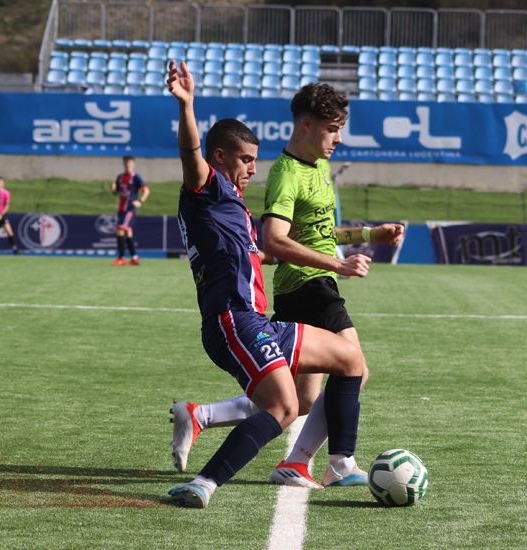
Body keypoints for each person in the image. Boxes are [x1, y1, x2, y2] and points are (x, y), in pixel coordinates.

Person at [171, 83, 404, 489]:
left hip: (255, 318)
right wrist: (187, 106)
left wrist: (366, 234)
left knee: (322, 384)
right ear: (220, 157)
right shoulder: (207, 189)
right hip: (246, 314)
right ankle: (327, 463)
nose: (253, 169)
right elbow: (192, 156)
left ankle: (204, 423)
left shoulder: (233, 203)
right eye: (245, 160)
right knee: (289, 403)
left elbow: (276, 247)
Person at [111, 155, 150, 266]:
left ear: (133, 164)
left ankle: (121, 258)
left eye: (130, 163)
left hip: (130, 209)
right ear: (123, 164)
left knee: (120, 230)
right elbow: (117, 191)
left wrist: (140, 201)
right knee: (128, 232)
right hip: (121, 209)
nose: (128, 164)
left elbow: (146, 190)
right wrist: (113, 189)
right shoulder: (120, 177)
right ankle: (134, 258)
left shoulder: (136, 177)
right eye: (126, 163)